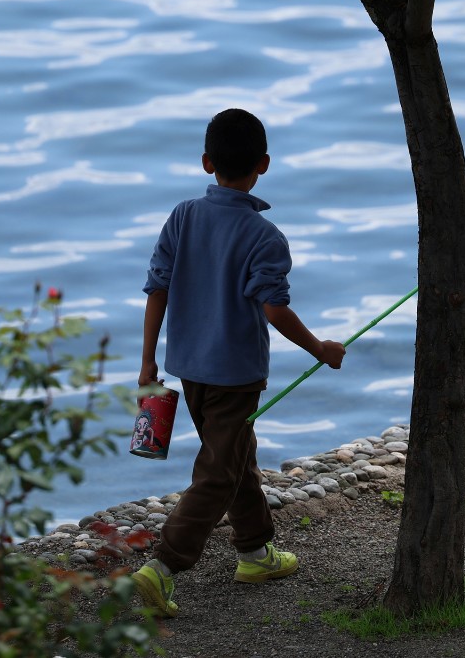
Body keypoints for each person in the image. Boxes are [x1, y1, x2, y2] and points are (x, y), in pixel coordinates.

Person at [131, 108, 346, 618]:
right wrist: (319, 349)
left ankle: (254, 553)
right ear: (263, 164)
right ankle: (162, 566)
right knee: (217, 472)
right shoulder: (264, 236)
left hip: (188, 367)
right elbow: (274, 309)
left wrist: (147, 362)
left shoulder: (182, 216)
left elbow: (157, 287)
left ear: (207, 161)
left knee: (234, 458)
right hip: (235, 375)